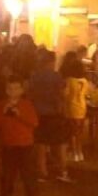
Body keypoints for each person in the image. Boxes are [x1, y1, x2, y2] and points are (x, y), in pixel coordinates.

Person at [0, 76, 40, 196]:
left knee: (28, 176)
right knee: (7, 177)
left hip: (25, 146)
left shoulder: (27, 105)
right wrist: (3, 113)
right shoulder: (1, 105)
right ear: (6, 90)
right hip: (9, 146)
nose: (13, 91)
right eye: (10, 88)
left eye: (16, 88)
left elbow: (34, 123)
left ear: (22, 90)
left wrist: (19, 115)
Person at [29, 51, 72, 182]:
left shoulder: (35, 76)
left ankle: (43, 173)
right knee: (60, 145)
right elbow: (62, 95)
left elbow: (30, 94)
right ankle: (63, 172)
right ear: (51, 62)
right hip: (55, 114)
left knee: (41, 145)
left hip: (39, 114)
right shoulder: (57, 76)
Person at [61, 51, 90, 163]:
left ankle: (74, 153)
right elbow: (87, 94)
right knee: (79, 132)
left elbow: (65, 94)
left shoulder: (69, 81)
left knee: (72, 132)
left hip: (71, 108)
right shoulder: (84, 81)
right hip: (82, 108)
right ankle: (80, 152)